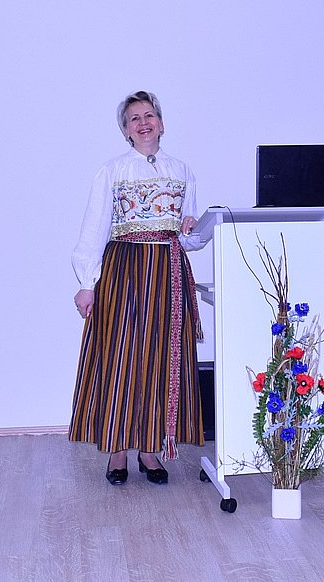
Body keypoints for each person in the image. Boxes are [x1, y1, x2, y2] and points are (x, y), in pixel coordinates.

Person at [69, 90, 204, 486]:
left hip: (168, 271)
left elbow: (191, 237)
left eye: (149, 115)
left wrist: (191, 229)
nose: (143, 123)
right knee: (121, 355)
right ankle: (117, 450)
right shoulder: (112, 171)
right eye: (134, 119)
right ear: (126, 130)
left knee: (159, 359)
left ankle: (149, 450)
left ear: (161, 123)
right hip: (124, 270)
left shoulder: (182, 171)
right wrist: (87, 283)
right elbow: (95, 228)